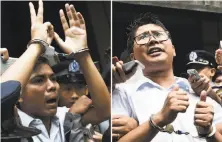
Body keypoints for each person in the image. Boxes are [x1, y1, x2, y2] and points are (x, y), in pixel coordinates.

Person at [1, 1, 110, 142]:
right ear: (19, 95)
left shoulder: (65, 118)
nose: (52, 86)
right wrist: (37, 45)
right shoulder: (8, 127)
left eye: (53, 78)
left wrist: (83, 56)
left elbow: (105, 110)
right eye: (39, 80)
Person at [112, 12, 222, 142]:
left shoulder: (199, 90)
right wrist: (160, 119)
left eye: (159, 35)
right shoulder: (123, 91)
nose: (153, 40)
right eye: (143, 37)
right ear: (133, 57)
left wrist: (209, 132)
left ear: (174, 50)